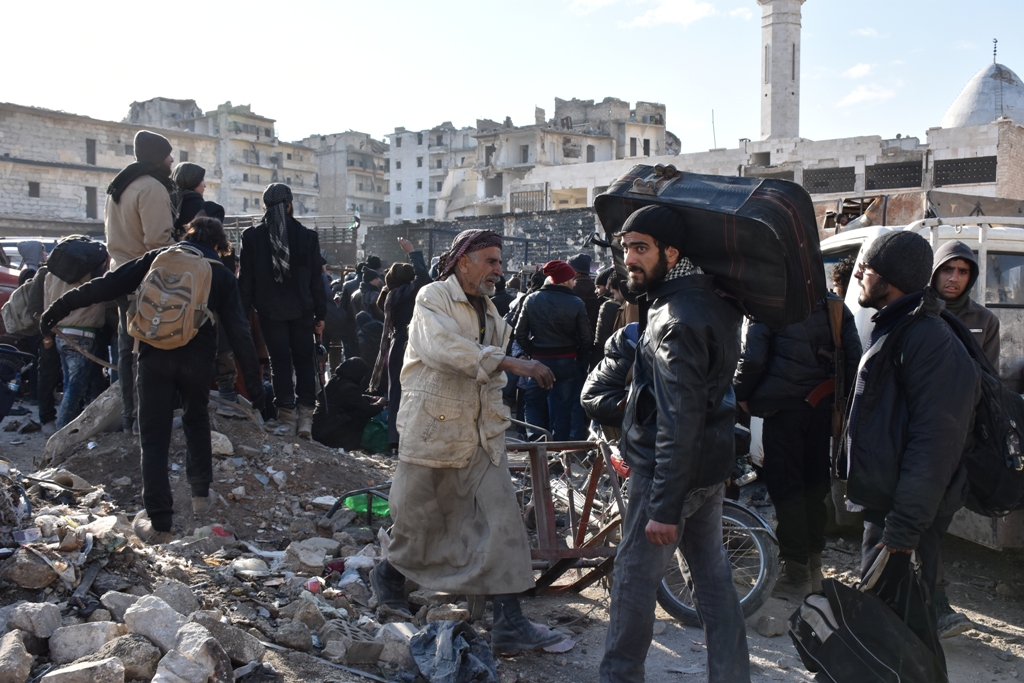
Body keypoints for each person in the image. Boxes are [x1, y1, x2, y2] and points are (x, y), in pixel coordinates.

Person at [369, 229, 563, 656]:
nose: (499, 269)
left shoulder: (494, 314)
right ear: (464, 262)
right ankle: (388, 576)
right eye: (491, 260)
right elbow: (441, 349)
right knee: (418, 522)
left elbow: (490, 378)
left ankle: (509, 622)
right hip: (433, 429)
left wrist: (499, 410)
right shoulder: (432, 298)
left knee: (503, 521)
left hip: (480, 435)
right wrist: (508, 361)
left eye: (499, 261)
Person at [40, 217, 264, 544]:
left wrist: (55, 312)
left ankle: (160, 523)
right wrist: (257, 393)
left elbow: (104, 285)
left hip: (153, 357)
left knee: (154, 438)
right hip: (197, 363)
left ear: (186, 235)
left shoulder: (157, 258)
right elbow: (241, 335)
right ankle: (200, 495)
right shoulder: (221, 274)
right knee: (196, 419)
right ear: (219, 245)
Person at [599, 205, 750, 683]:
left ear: (672, 253)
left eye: (640, 249)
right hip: (705, 470)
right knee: (712, 577)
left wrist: (663, 506)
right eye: (625, 249)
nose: (629, 260)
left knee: (633, 582)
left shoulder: (675, 320)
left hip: (669, 474)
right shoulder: (711, 301)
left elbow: (679, 419)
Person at [846, 231, 977, 663]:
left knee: (897, 635)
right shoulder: (898, 326)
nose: (860, 274)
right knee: (894, 632)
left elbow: (936, 442)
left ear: (893, 278)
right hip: (890, 510)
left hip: (903, 519)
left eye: (869, 268)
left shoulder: (928, 339)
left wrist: (904, 528)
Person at [733, 295, 862, 598]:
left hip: (784, 410)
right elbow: (855, 359)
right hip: (822, 409)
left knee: (786, 488)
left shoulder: (768, 304)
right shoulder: (834, 305)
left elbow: (751, 360)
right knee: (814, 488)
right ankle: (813, 570)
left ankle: (796, 573)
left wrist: (739, 395)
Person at [237, 183, 326, 439]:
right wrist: (320, 315)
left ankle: (286, 418)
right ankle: (306, 418)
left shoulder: (252, 237)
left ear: (265, 207)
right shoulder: (307, 237)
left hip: (269, 312)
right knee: (305, 362)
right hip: (303, 311)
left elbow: (246, 281)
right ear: (289, 205)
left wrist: (242, 316)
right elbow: (316, 281)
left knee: (280, 364)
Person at [105, 130, 177, 433]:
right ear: (157, 157)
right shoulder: (150, 188)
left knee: (126, 351)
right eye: (167, 155)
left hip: (120, 276)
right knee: (149, 352)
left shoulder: (119, 186)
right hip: (144, 281)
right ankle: (147, 419)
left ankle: (129, 417)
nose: (172, 160)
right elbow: (158, 242)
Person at [514, 260, 592, 441]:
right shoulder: (576, 303)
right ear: (564, 280)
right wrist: (577, 357)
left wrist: (533, 352)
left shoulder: (531, 299)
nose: (574, 282)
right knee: (562, 409)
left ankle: (535, 441)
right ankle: (558, 451)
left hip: (540, 360)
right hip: (567, 361)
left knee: (533, 403)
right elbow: (587, 339)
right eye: (572, 279)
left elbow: (520, 334)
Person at [369, 238, 430, 451]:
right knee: (416, 392)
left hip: (395, 346)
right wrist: (412, 252)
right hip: (412, 344)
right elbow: (424, 277)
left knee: (396, 392)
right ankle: (413, 438)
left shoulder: (388, 295)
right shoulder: (407, 294)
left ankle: (394, 440)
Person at [43, 242, 109, 428]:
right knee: (75, 389)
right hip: (83, 334)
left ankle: (68, 428)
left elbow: (47, 306)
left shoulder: (51, 275)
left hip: (60, 334)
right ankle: (61, 432)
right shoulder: (92, 274)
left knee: (68, 384)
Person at [931, 240, 1000, 369]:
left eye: (963, 272)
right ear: (935, 273)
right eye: (947, 270)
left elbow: (990, 377)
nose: (954, 278)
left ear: (971, 277)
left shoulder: (986, 320)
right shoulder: (916, 313)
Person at [311, 357, 383, 450]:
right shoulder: (349, 388)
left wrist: (370, 398)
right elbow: (369, 410)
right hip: (327, 430)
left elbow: (352, 398)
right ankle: (347, 445)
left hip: (319, 427)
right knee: (361, 414)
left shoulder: (336, 380)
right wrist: (381, 404)